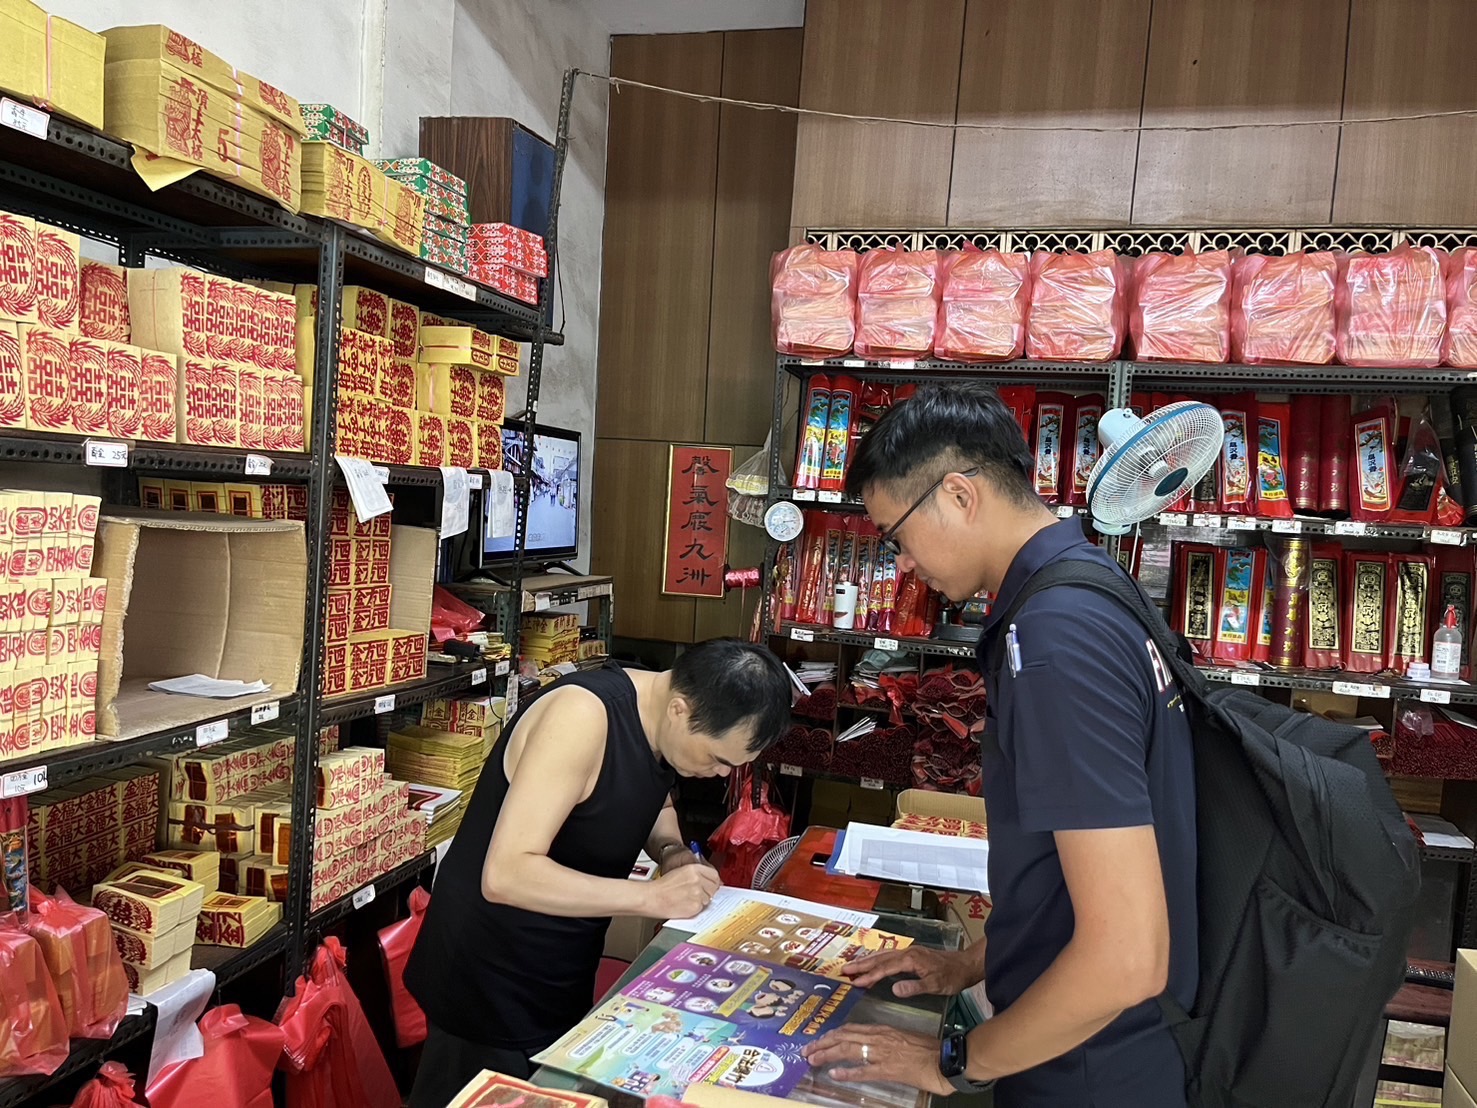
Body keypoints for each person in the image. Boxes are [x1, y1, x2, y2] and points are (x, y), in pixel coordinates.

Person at [803, 383, 1197, 1108]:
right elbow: (1073, 878)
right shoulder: (1089, 584)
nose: (904, 566)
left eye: (896, 537)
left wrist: (953, 1063)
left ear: (958, 495)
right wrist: (970, 965)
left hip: (1090, 1066)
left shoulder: (1054, 640)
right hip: (1092, 1040)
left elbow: (1126, 958)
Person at [404, 639, 792, 1107]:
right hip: (487, 977)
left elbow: (651, 798)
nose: (720, 774)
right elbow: (507, 874)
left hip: (560, 967)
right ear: (680, 709)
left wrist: (670, 851)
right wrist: (652, 898)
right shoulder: (581, 719)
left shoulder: (661, 726)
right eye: (718, 759)